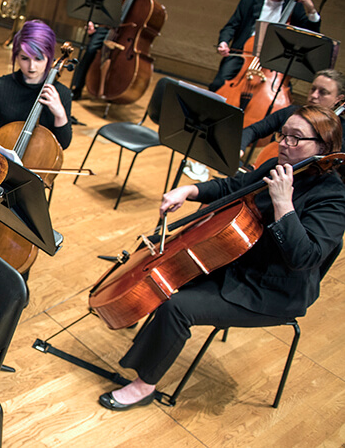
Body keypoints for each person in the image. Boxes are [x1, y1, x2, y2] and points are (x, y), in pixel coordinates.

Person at [99, 105, 345, 411]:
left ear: (323, 148)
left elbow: (304, 258)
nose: (283, 143)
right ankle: (136, 324)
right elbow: (234, 187)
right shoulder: (276, 165)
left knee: (178, 306)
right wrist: (190, 190)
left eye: (296, 139)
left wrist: (284, 204)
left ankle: (143, 386)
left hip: (270, 291)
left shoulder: (332, 198)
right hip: (237, 261)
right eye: (283, 134)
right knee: (167, 271)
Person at [70, 0, 173, 100]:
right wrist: (92, 22)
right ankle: (76, 89)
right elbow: (99, 4)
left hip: (131, 28)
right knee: (91, 49)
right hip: (109, 24)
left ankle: (115, 88)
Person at [0, 19, 72, 149]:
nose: (31, 66)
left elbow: (64, 144)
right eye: (24, 58)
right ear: (16, 56)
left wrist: (60, 114)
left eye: (39, 58)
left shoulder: (61, 94)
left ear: (49, 57)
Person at [208, 0, 321, 92]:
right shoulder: (249, 2)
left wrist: (310, 8)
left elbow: (312, 32)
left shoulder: (295, 7)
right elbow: (231, 26)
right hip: (243, 54)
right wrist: (223, 42)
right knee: (219, 84)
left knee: (280, 92)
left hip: (272, 61)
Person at [242, 69, 345, 157]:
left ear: (338, 99)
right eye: (313, 89)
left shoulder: (341, 130)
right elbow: (253, 130)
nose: (314, 95)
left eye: (323, 92)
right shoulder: (291, 112)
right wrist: (240, 148)